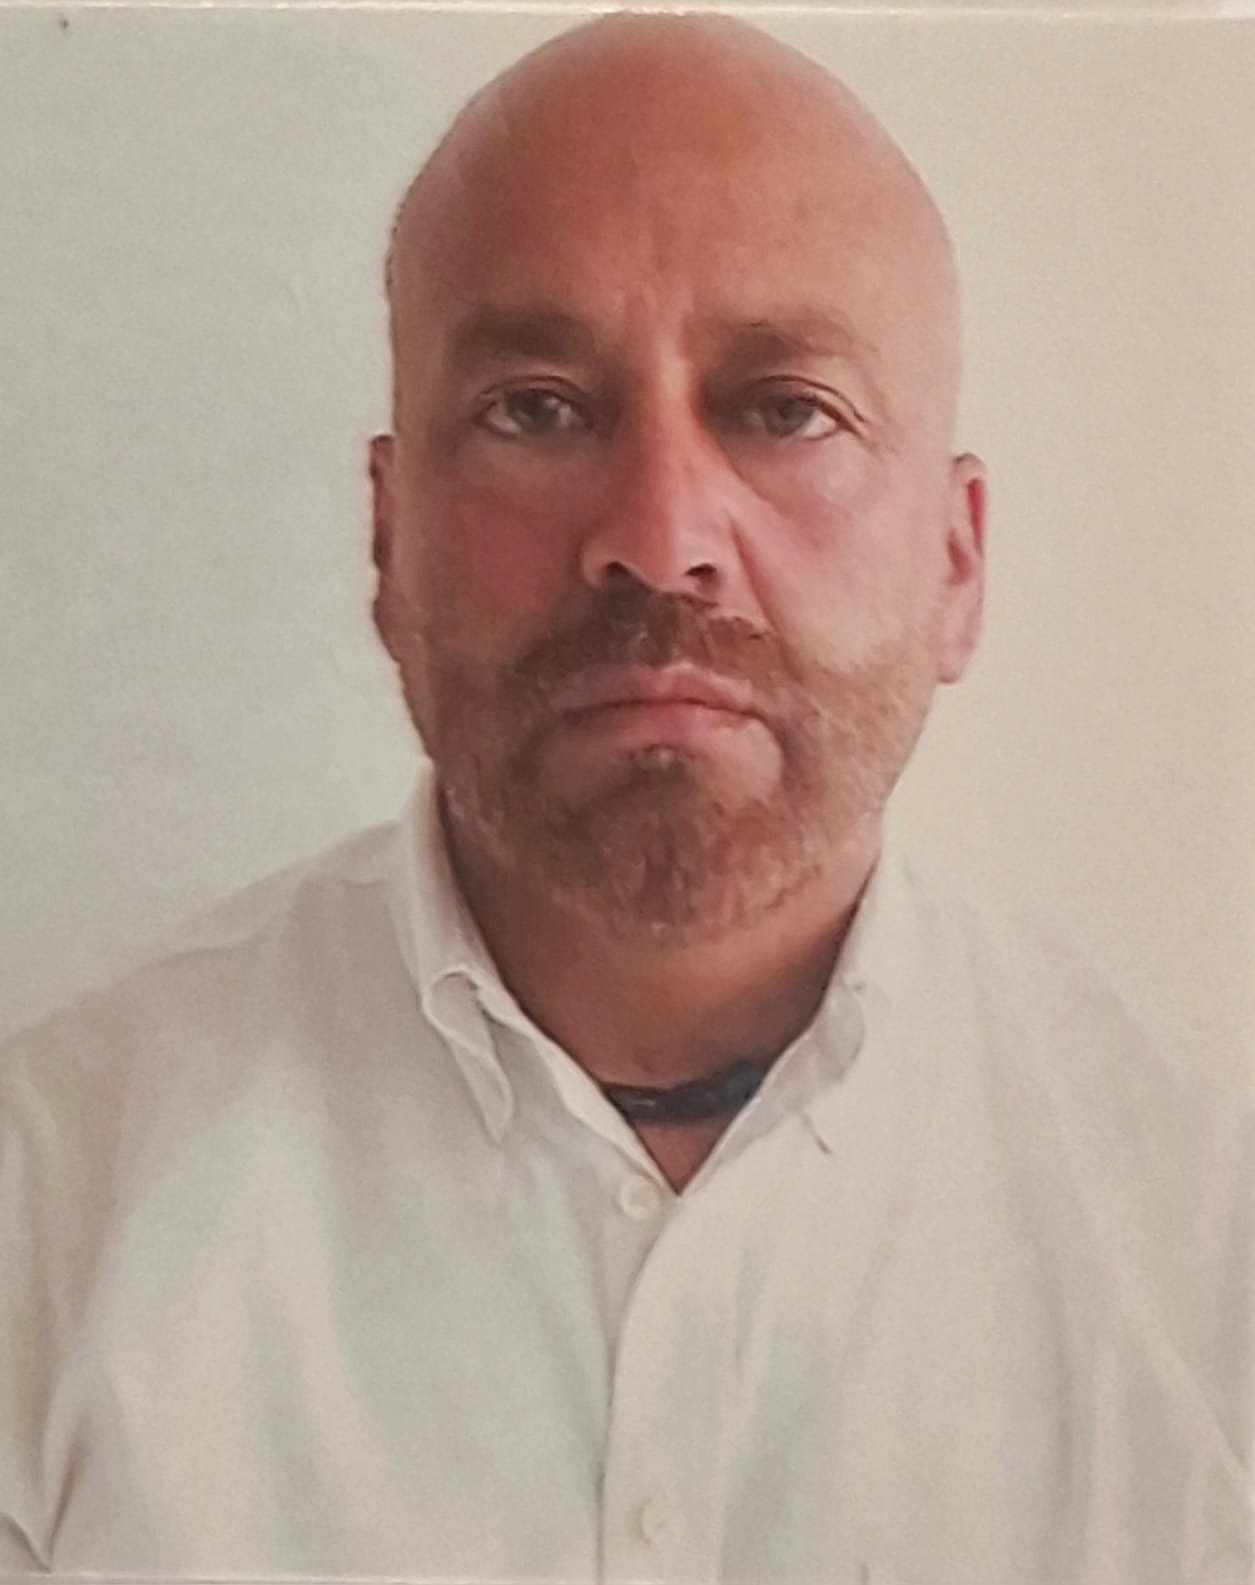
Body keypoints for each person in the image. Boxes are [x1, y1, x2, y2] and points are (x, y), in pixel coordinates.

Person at [0, 13, 1249, 1584]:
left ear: (956, 560)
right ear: (387, 537)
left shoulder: (1206, 1272)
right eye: (537, 408)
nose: (660, 538)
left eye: (785, 407)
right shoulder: (49, 1221)